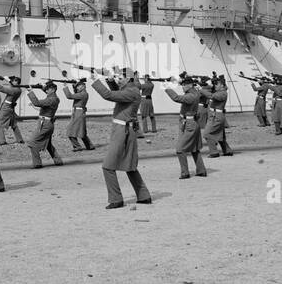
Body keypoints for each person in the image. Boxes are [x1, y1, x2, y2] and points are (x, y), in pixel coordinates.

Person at [92, 73, 152, 209]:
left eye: (121, 78)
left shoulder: (131, 91)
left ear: (129, 79)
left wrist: (96, 80)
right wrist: (110, 80)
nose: (119, 80)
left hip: (122, 130)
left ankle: (116, 199)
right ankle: (144, 195)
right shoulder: (131, 90)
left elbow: (109, 95)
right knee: (129, 166)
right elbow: (117, 92)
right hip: (124, 129)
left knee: (107, 166)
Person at [163, 75, 207, 179]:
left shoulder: (191, 96)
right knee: (195, 149)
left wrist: (167, 88)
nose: (182, 87)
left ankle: (185, 173)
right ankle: (201, 170)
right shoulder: (194, 92)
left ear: (190, 85)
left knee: (180, 149)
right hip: (190, 122)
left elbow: (176, 98)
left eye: (184, 85)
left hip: (189, 124)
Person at [26, 80, 64, 168]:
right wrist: (41, 86)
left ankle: (37, 163)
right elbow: (46, 92)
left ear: (53, 89)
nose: (46, 90)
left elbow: (37, 103)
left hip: (45, 124)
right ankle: (58, 161)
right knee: (48, 144)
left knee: (32, 142)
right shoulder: (52, 97)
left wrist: (31, 91)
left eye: (48, 89)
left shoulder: (52, 99)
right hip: (46, 123)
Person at [203, 76, 235, 157]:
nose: (215, 86)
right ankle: (227, 150)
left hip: (216, 117)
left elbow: (212, 96)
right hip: (215, 116)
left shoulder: (223, 93)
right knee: (220, 135)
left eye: (217, 84)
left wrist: (200, 89)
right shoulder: (218, 91)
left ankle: (214, 152)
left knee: (207, 134)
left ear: (222, 85)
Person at [0, 76, 26, 146]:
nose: (12, 82)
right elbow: (12, 85)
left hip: (6, 108)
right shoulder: (19, 89)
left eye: (13, 81)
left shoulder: (14, 90)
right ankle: (20, 139)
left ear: (17, 82)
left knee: (0, 124)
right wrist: (8, 80)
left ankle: (2, 141)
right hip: (11, 108)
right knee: (14, 124)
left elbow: (1, 89)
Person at [66, 78, 95, 152]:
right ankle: (89, 146)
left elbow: (69, 96)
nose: (77, 88)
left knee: (70, 131)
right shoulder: (83, 93)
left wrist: (65, 86)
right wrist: (73, 86)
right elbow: (75, 93)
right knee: (81, 131)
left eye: (78, 86)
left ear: (83, 86)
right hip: (78, 112)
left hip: (78, 113)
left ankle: (77, 146)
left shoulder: (83, 94)